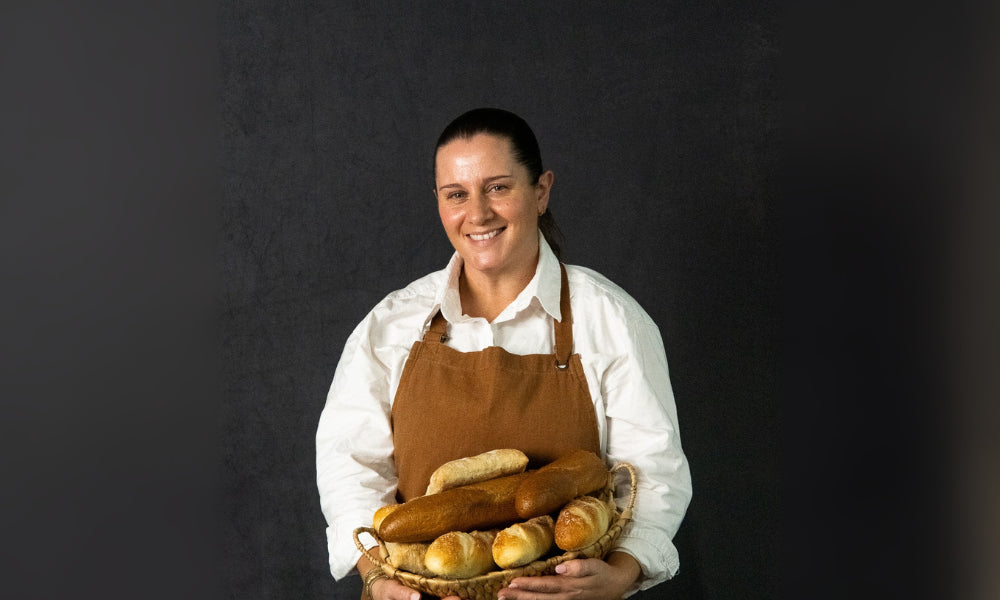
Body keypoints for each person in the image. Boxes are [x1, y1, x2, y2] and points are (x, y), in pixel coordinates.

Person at [316, 108, 691, 600]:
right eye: (456, 195)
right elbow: (351, 468)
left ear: (541, 190)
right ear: (438, 203)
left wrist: (622, 571)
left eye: (497, 187)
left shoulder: (610, 319)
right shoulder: (391, 326)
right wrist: (378, 577)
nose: (477, 214)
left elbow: (652, 470)